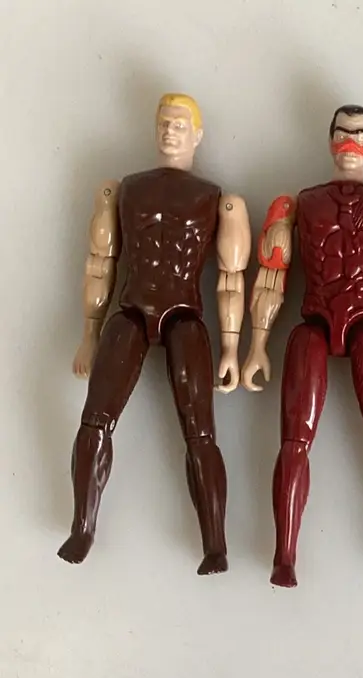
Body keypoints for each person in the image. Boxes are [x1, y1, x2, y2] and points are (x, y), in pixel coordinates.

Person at [241, 104, 363, 589]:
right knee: (294, 441)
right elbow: (271, 275)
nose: (351, 142)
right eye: (342, 132)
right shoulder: (298, 204)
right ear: (330, 139)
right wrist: (256, 346)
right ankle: (284, 554)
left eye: (360, 133)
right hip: (312, 320)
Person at [60, 93, 251, 575]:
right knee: (95, 419)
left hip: (185, 312)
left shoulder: (216, 198)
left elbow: (231, 278)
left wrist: (232, 348)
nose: (170, 131)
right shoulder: (125, 189)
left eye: (180, 124)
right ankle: (82, 526)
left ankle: (215, 543)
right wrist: (89, 333)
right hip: (130, 308)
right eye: (164, 122)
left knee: (200, 430)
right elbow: (100, 262)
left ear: (198, 135)